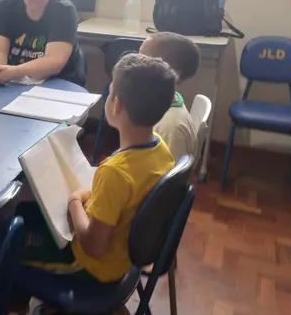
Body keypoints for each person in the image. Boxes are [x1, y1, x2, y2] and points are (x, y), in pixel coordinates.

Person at [15, 54, 177, 284]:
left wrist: (73, 201)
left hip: (89, 267)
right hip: (121, 257)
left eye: (110, 92)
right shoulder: (161, 149)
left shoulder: (115, 173)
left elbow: (93, 246)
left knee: (9, 245)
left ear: (117, 104)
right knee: (23, 212)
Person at [138, 31, 201, 160]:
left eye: (142, 58)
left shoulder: (170, 129)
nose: (133, 62)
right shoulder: (162, 104)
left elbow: (170, 178)